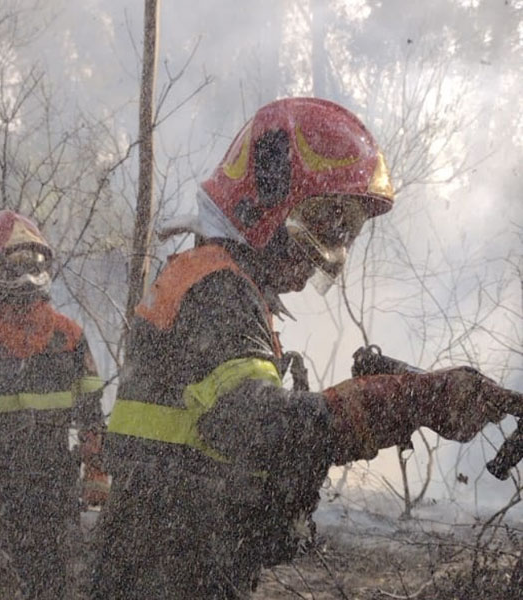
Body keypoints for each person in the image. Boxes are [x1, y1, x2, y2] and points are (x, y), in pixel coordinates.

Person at [90, 97, 508, 599]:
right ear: (264, 193)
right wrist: (405, 400)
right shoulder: (217, 289)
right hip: (165, 575)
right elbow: (261, 428)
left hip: (166, 564)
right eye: (325, 220)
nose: (329, 248)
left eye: (346, 230)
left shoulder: (215, 280)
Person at [0, 210, 108, 599]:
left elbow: (93, 419)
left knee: (54, 587)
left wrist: (96, 477)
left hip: (54, 493)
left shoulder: (68, 337)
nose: (27, 275)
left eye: (34, 262)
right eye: (15, 264)